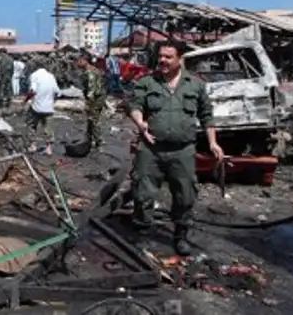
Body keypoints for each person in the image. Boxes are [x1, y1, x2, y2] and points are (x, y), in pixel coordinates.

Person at [127, 41, 224, 256]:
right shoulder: (147, 82)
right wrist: (140, 123)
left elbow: (207, 116)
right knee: (143, 193)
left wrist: (213, 143)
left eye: (168, 57)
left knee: (185, 194)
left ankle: (180, 235)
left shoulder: (195, 85)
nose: (162, 60)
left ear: (180, 59)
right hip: (151, 148)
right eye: (161, 56)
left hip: (183, 151)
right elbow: (134, 106)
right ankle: (143, 234)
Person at [24, 59, 60, 155]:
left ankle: (33, 145)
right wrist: (52, 101)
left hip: (37, 106)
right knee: (48, 128)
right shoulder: (51, 76)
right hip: (49, 107)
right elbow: (57, 92)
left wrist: (26, 100)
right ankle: (48, 148)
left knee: (31, 125)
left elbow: (32, 91)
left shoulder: (34, 75)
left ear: (35, 66)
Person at [78, 55, 107, 148]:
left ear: (85, 61)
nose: (78, 63)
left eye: (80, 61)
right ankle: (89, 138)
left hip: (95, 98)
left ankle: (99, 140)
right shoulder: (95, 70)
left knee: (93, 119)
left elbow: (91, 89)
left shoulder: (89, 72)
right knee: (92, 119)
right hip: (100, 97)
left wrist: (88, 104)